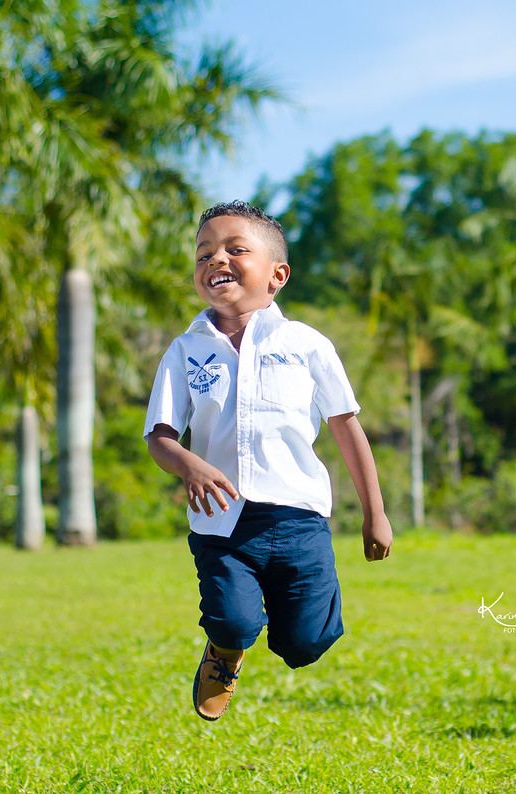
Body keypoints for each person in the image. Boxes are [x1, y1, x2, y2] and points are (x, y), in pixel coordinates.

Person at [143, 200, 393, 721]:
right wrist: (190, 465)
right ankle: (225, 650)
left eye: (236, 249)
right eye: (204, 253)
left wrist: (376, 513)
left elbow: (347, 428)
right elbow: (160, 436)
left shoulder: (306, 345)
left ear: (277, 274)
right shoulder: (186, 350)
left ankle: (283, 621)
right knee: (233, 623)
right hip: (222, 522)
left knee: (305, 643)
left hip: (299, 519)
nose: (217, 261)